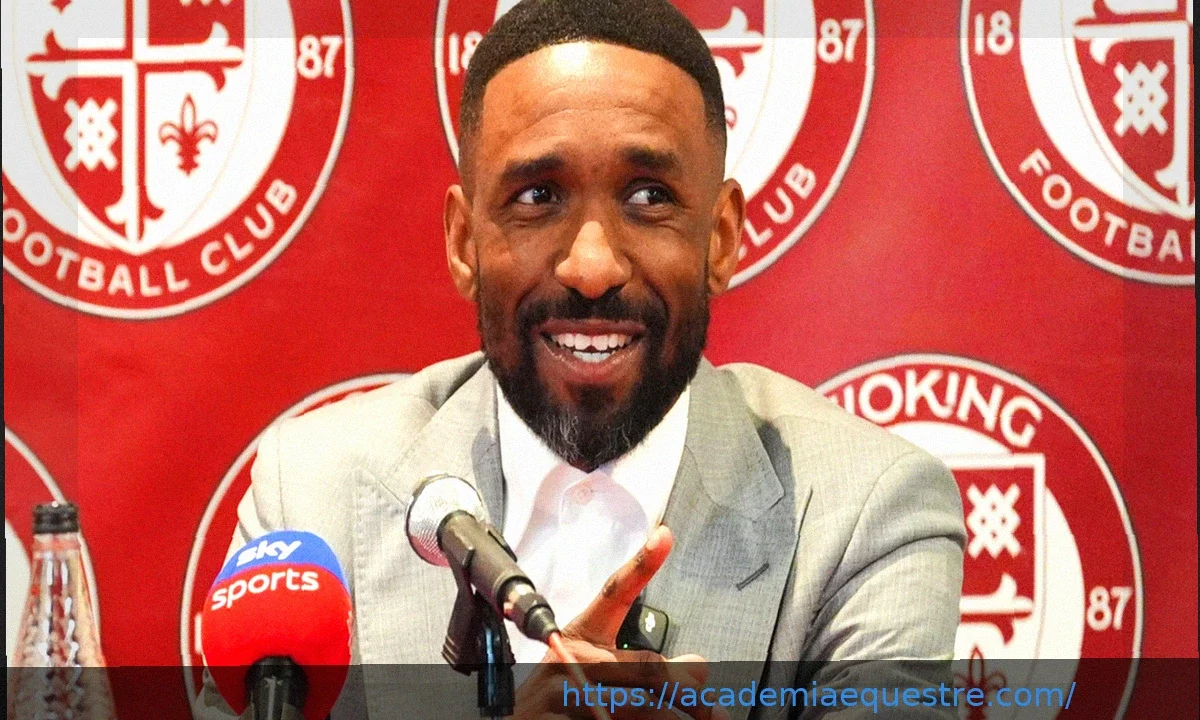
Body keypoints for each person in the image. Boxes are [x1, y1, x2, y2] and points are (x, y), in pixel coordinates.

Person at [198, 1, 965, 717]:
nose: (592, 266)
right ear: (464, 242)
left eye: (647, 196)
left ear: (721, 238)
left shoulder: (866, 513)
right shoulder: (313, 495)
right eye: (538, 198)